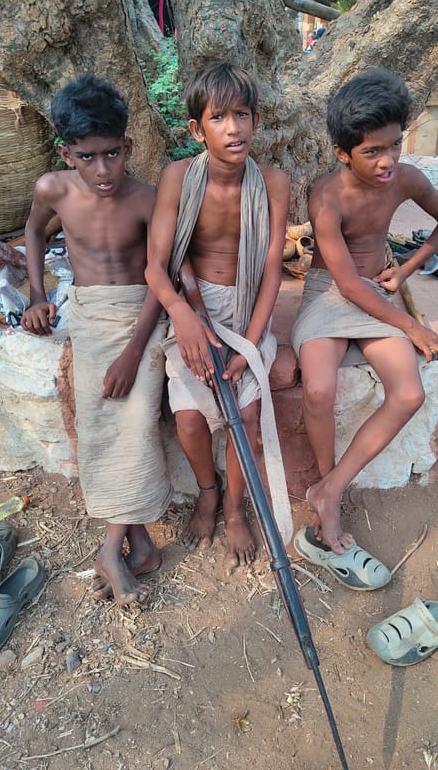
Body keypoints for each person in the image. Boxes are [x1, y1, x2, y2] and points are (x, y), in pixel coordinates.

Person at [291, 66, 438, 587]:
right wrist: (411, 325)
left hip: (380, 293)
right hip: (330, 294)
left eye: (394, 145)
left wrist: (406, 268)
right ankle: (329, 490)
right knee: (318, 387)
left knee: (408, 392)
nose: (388, 160)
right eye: (372, 151)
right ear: (343, 153)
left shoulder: (406, 178)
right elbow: (344, 283)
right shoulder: (326, 197)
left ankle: (330, 491)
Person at [21, 74, 173, 605]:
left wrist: (134, 352)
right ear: (67, 152)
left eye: (113, 154)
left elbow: (161, 275)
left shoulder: (147, 199)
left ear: (128, 146)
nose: (103, 170)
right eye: (87, 157)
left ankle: (110, 551)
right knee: (100, 425)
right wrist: (37, 294)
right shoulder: (52, 189)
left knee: (135, 422)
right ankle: (139, 544)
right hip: (88, 316)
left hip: (141, 318)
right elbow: (35, 231)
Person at [146, 62, 290, 568]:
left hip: (247, 304)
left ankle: (234, 506)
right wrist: (184, 316)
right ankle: (208, 491)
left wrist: (247, 343)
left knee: (244, 416)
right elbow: (155, 267)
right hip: (192, 308)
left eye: (243, 115)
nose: (234, 128)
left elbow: (272, 270)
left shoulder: (273, 182)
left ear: (256, 119)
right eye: (219, 117)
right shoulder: (178, 178)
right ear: (196, 129)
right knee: (188, 418)